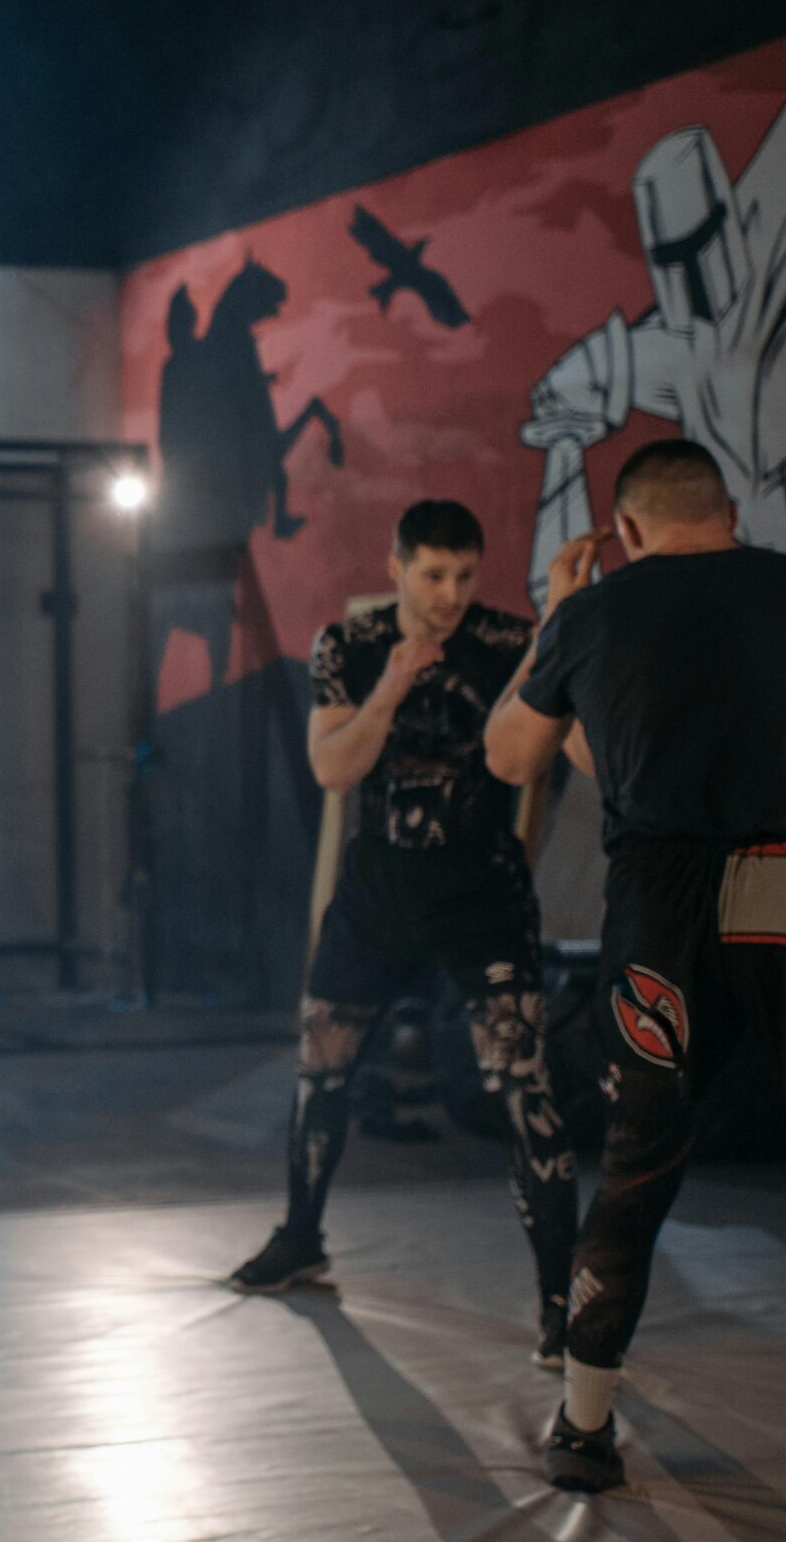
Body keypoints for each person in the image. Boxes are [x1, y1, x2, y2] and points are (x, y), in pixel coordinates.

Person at [487, 438, 786, 1494]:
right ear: (728, 512)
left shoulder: (598, 611)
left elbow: (512, 755)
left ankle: (581, 1424)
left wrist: (554, 629)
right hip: (782, 878)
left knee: (639, 1158)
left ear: (625, 530)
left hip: (664, 905)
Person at [228, 500, 579, 1365]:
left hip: (481, 889)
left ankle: (560, 1298)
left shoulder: (507, 641)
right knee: (322, 1069)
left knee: (523, 1088)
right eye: (433, 574)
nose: (452, 592)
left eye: (465, 574)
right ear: (397, 567)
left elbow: (525, 760)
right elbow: (331, 768)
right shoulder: (347, 645)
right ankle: (301, 1236)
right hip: (379, 886)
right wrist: (393, 681)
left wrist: (559, 629)